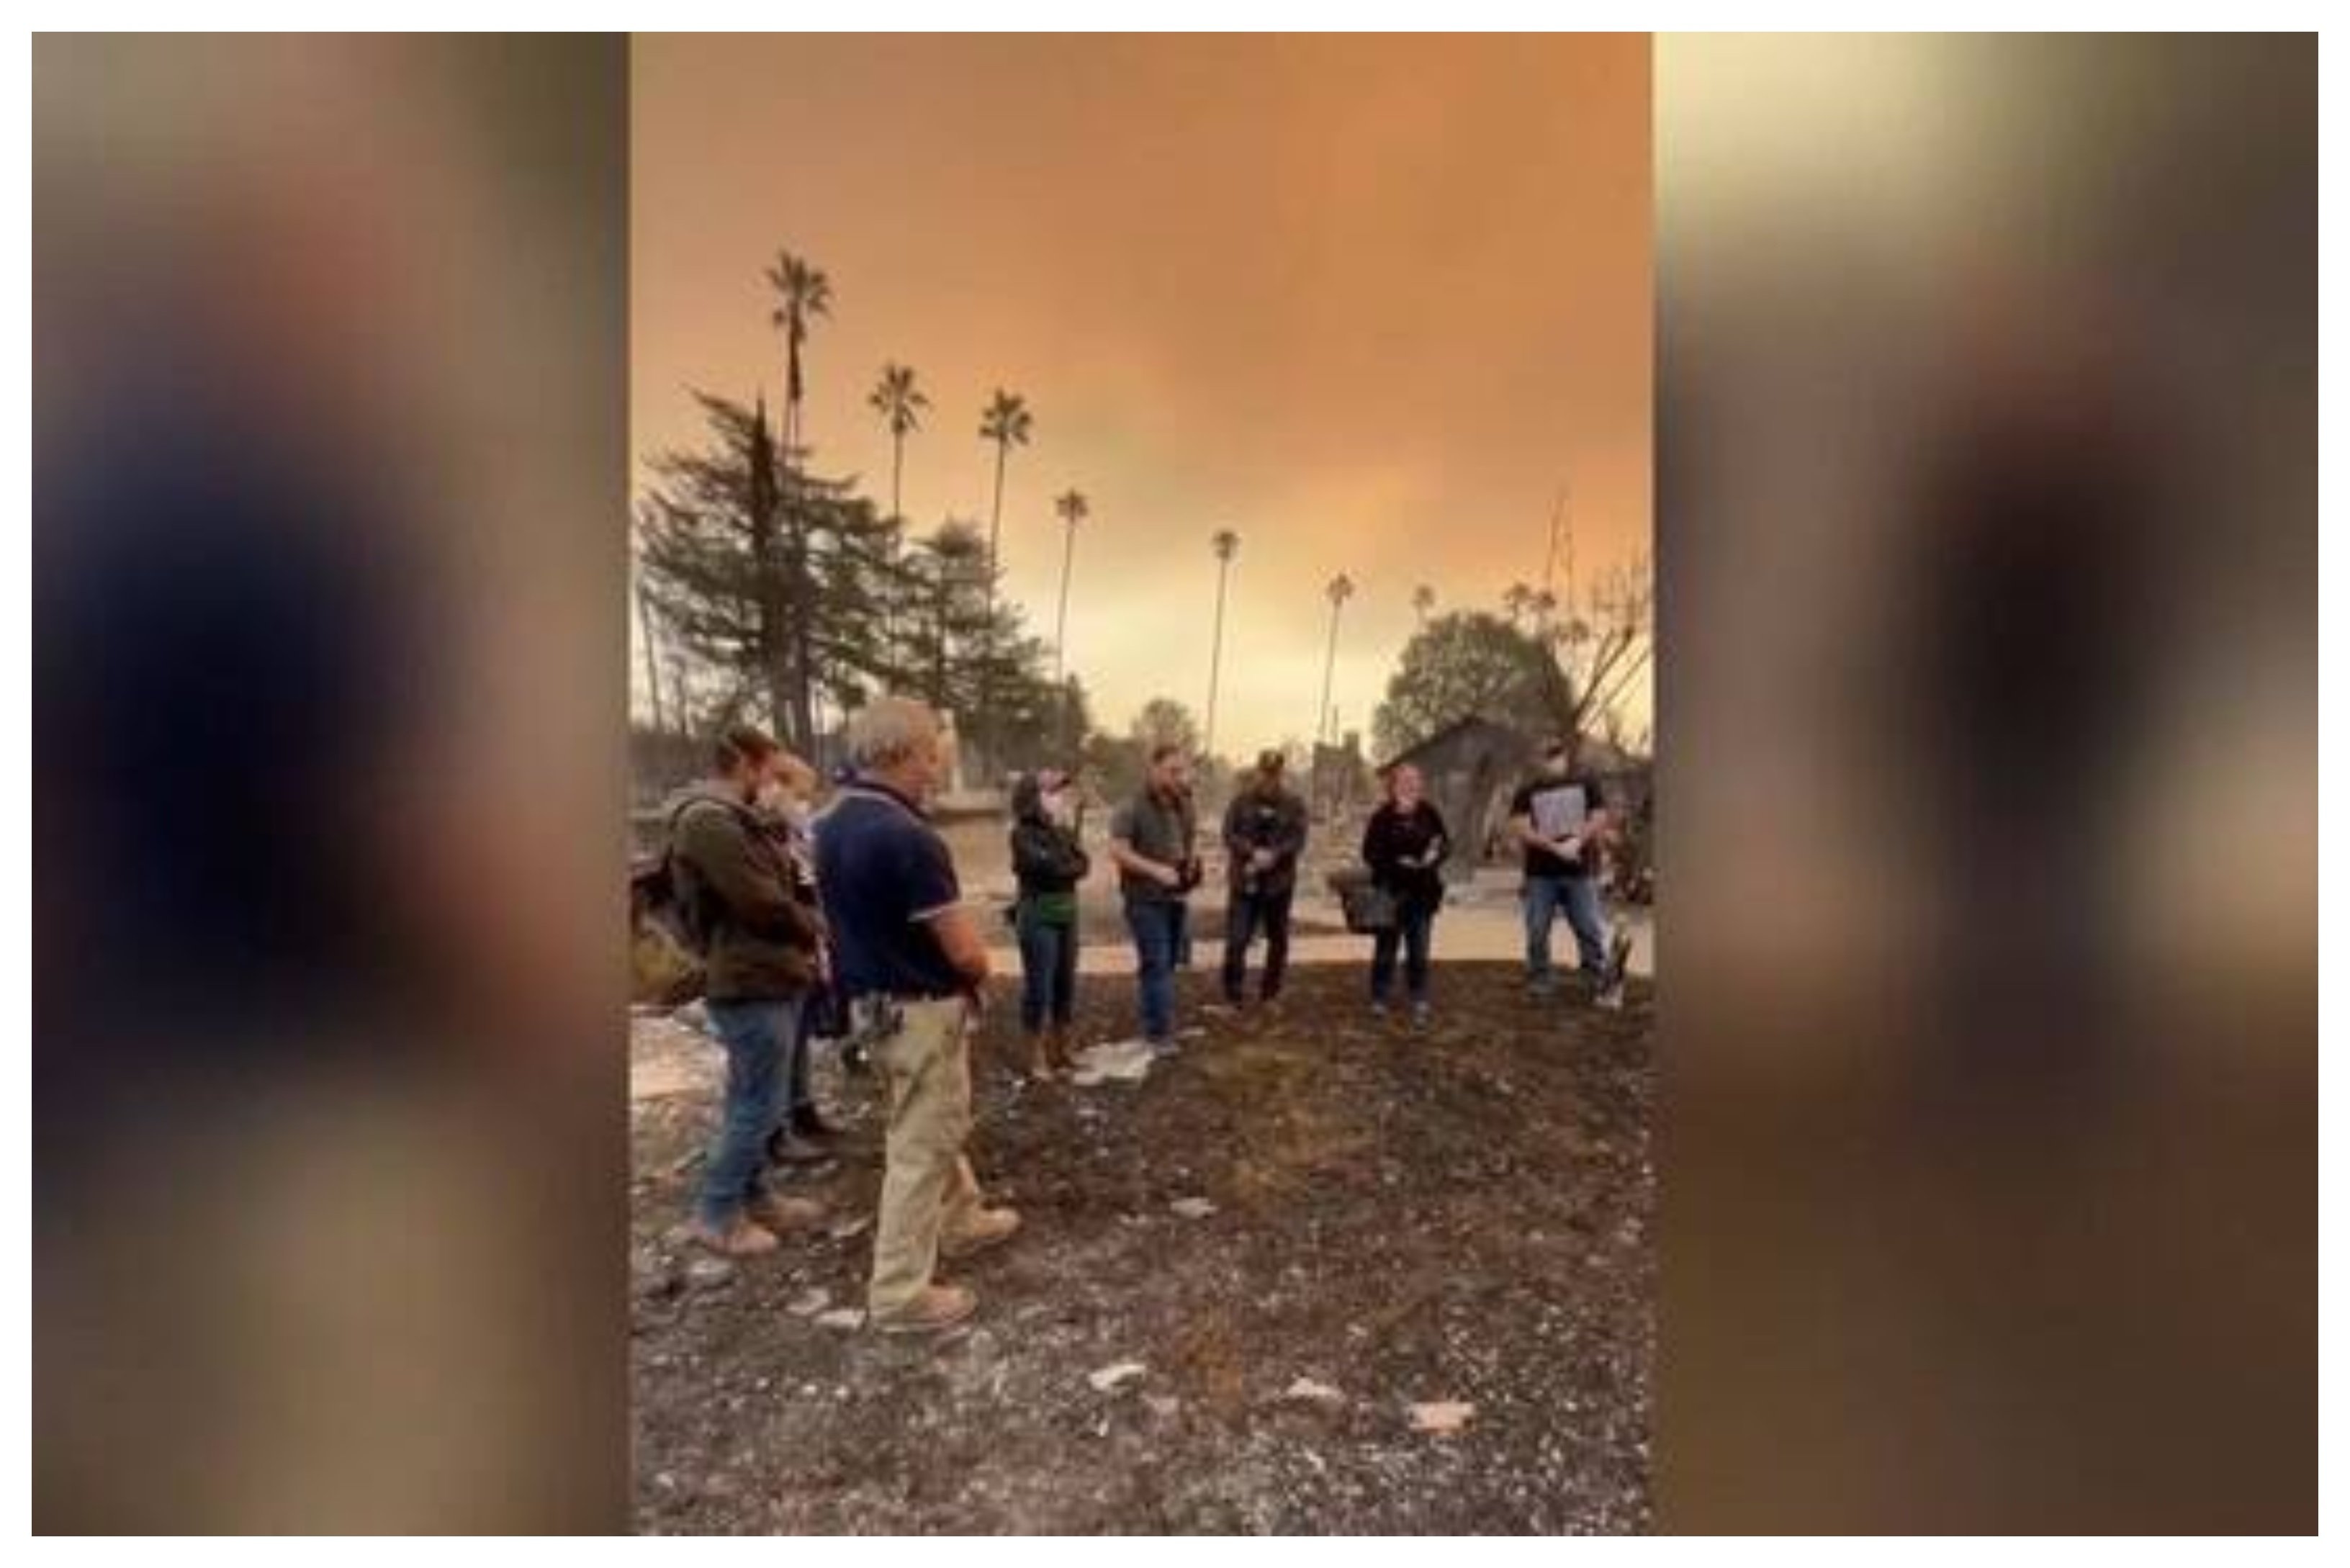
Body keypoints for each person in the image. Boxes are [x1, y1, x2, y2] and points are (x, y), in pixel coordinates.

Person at [814, 697, 1019, 1335]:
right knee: (919, 1145)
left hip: (873, 1008)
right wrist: (982, 972)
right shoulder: (909, 837)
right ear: (903, 752)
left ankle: (961, 1219)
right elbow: (964, 950)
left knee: (928, 1121)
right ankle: (900, 1294)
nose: (938, 767)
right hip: (921, 1010)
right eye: (933, 753)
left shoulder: (832, 823)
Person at [665, 725, 829, 1258]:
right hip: (747, 978)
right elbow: (760, 901)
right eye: (771, 770)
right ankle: (716, 1214)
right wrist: (816, 924)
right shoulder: (709, 822)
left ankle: (754, 1194)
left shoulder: (739, 820)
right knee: (758, 1104)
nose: (775, 782)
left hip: (768, 972)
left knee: (757, 1097)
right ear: (747, 764)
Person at [754, 752, 843, 1164]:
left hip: (806, 949)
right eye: (797, 794)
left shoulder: (797, 834)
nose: (803, 803)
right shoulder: (759, 836)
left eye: (806, 796)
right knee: (781, 1046)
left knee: (801, 1037)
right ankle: (777, 1131)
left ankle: (803, 1109)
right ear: (774, 787)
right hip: (781, 951)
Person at [1107, 743, 1200, 1053]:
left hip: (1176, 897)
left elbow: (1187, 845)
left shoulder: (1185, 806)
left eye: (1181, 771)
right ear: (1153, 768)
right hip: (1143, 899)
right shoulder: (1131, 806)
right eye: (1171, 771)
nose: (1178, 778)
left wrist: (1191, 866)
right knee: (1156, 964)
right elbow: (1118, 851)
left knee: (1170, 963)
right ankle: (1158, 1032)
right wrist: (1155, 870)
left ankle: (1158, 1019)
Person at [1508, 738, 1615, 998]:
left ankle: (1594, 974)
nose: (1552, 760)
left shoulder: (1587, 784)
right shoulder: (1527, 791)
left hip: (1580, 871)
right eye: (1547, 756)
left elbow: (1600, 817)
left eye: (1557, 754)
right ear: (1539, 760)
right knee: (1537, 928)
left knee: (1588, 926)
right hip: (1541, 874)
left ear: (1566, 756)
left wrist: (1578, 841)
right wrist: (1555, 847)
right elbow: (1520, 827)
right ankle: (1539, 978)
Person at [1007, 767, 1089, 1078]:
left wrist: (1064, 864)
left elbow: (1083, 865)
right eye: (1050, 792)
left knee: (1065, 984)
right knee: (1039, 987)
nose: (1057, 798)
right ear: (1033, 797)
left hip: (1066, 913)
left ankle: (1063, 1049)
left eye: (1058, 793)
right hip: (1038, 915)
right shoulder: (1022, 834)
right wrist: (1066, 864)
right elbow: (1050, 868)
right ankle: (1035, 1056)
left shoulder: (1064, 830)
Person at [1218, 749, 1310, 1009]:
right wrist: (1251, 852)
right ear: (1257, 772)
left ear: (1282, 774)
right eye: (1265, 773)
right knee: (1237, 939)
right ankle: (1233, 993)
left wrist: (1275, 855)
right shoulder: (1240, 802)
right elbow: (1228, 834)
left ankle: (1270, 993)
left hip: (1278, 884)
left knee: (1278, 940)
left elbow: (1299, 838)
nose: (1269, 779)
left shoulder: (1294, 804)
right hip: (1244, 882)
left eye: (1275, 774)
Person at [1361, 762, 1451, 1026]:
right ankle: (1379, 997)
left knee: (1419, 950)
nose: (1411, 785)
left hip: (1422, 892)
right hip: (1389, 891)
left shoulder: (1429, 813)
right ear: (1394, 785)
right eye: (1405, 780)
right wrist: (1397, 863)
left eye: (1415, 780)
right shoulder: (1382, 817)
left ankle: (1419, 998)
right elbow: (1370, 853)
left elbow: (1445, 844)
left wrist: (1434, 857)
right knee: (1386, 949)